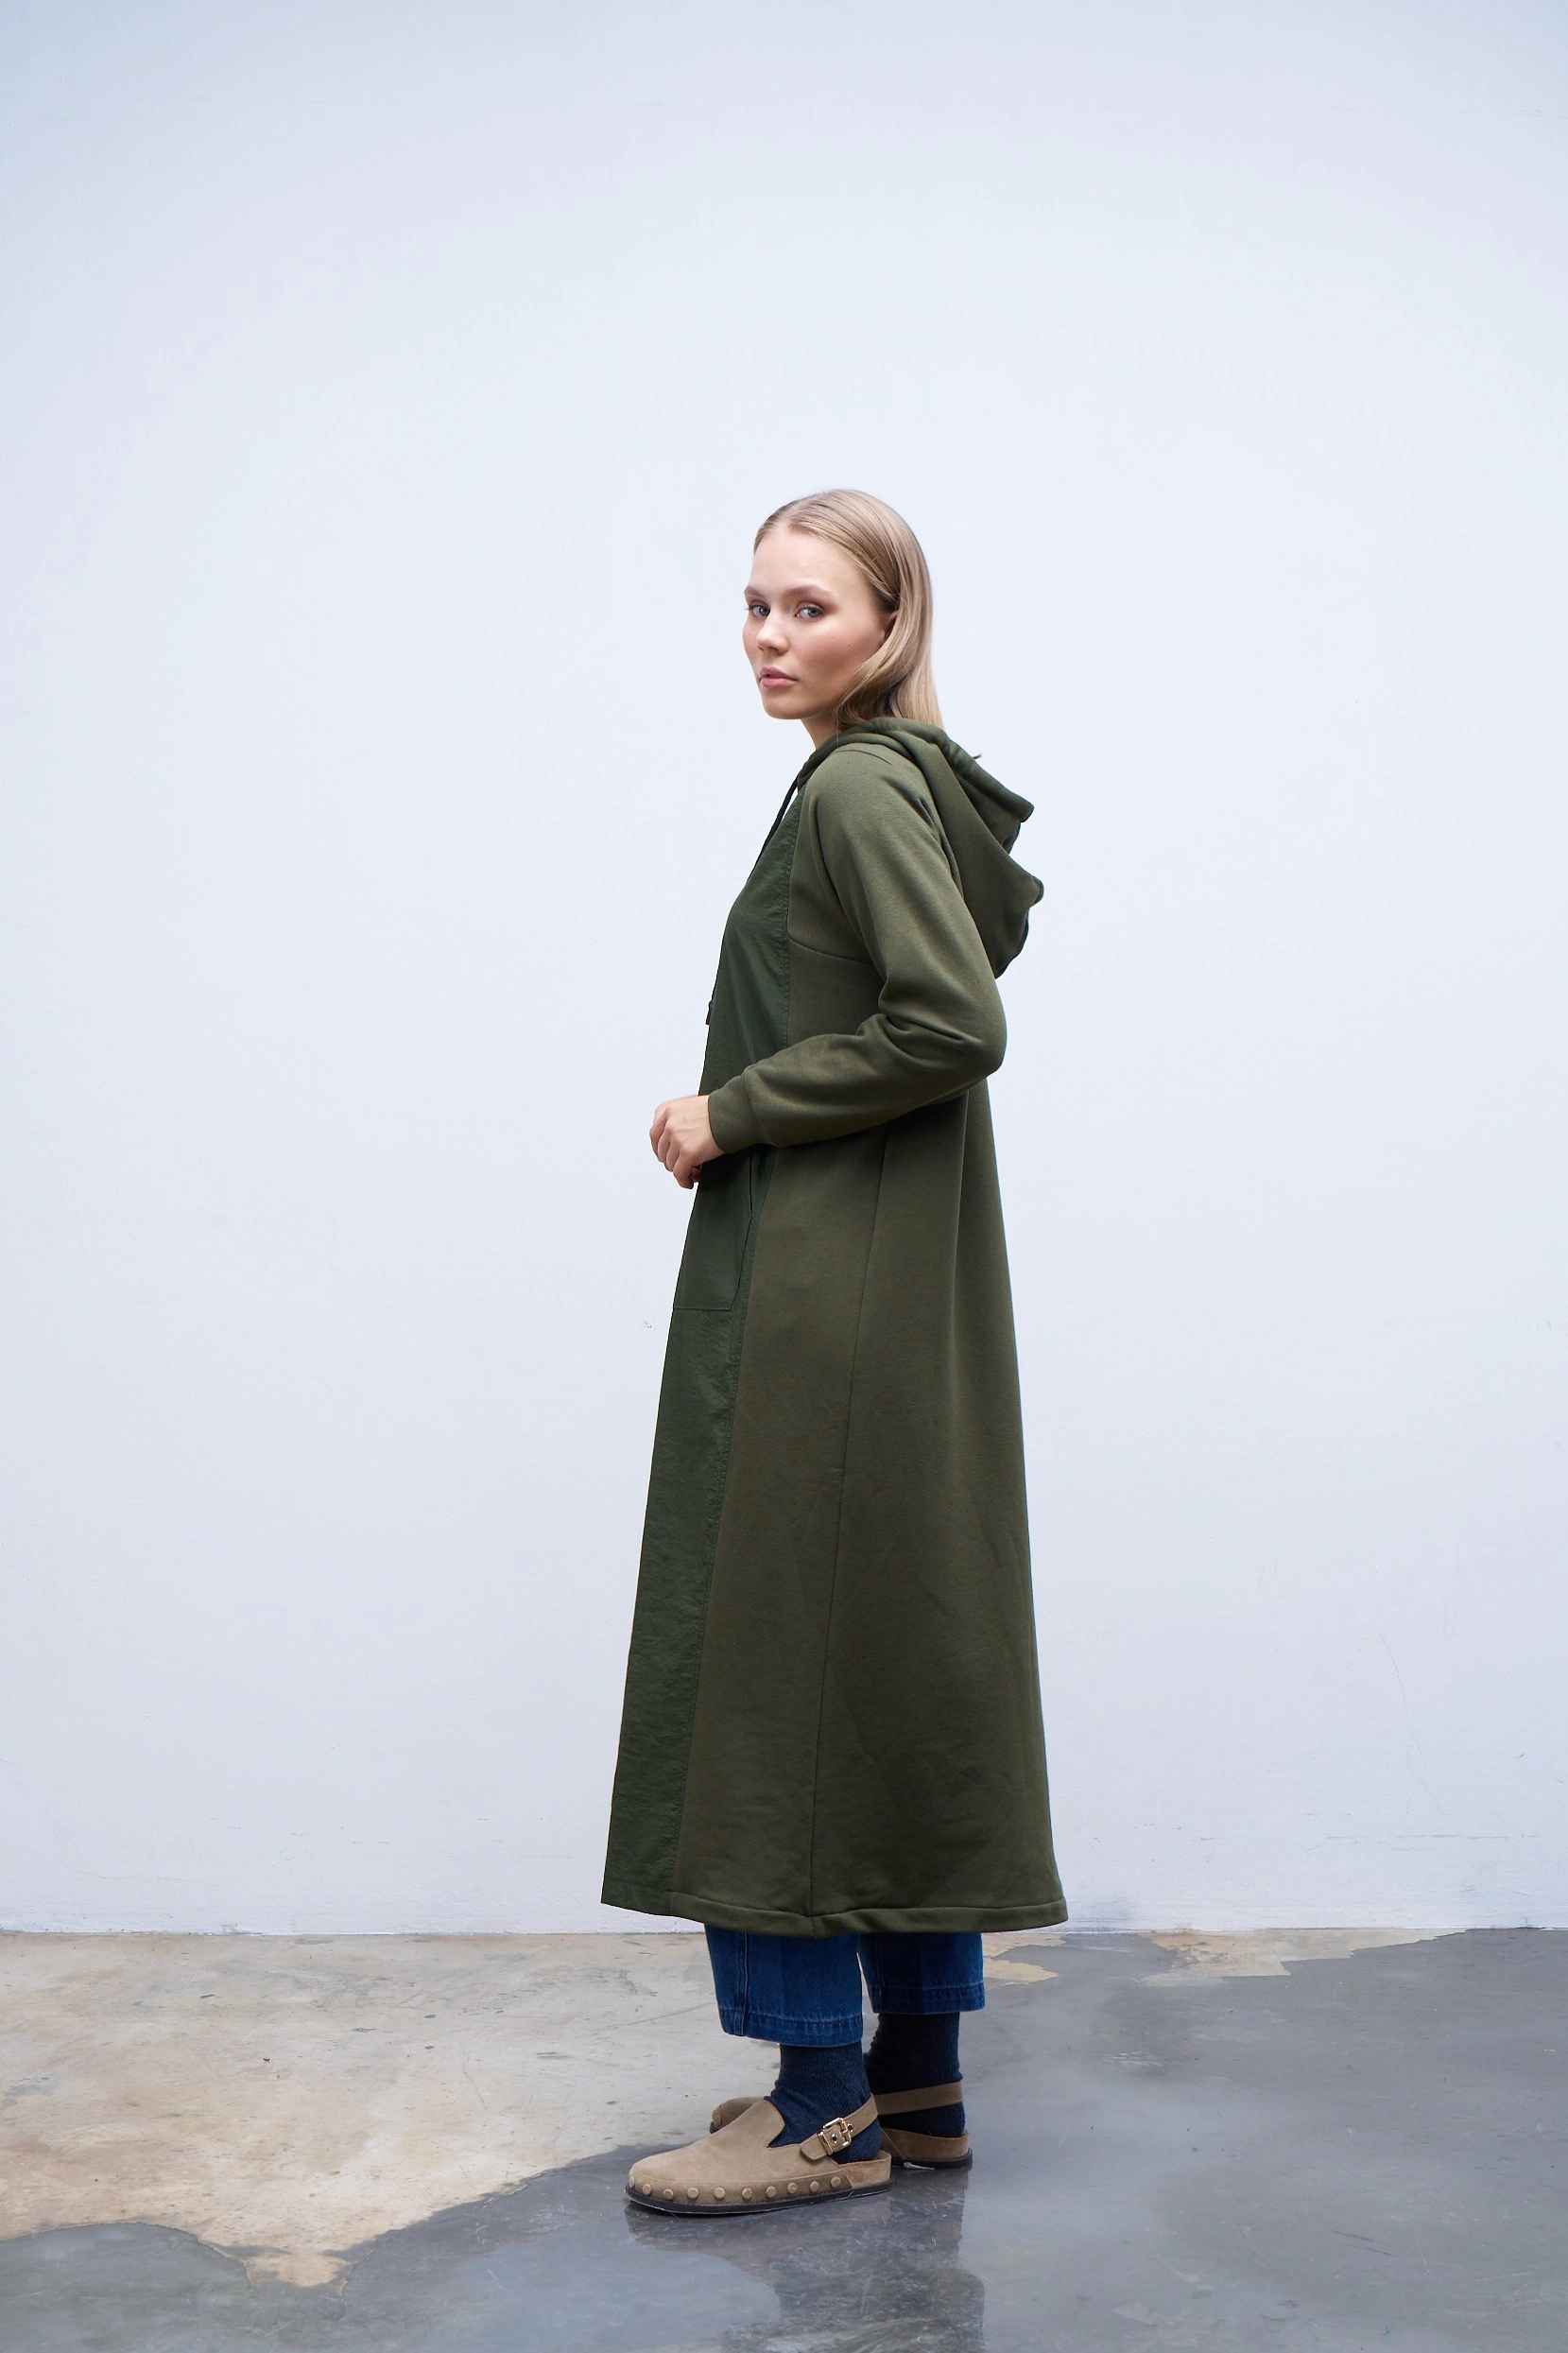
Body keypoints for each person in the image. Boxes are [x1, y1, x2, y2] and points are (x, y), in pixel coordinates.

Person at [603, 489, 1065, 2216]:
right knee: (878, 1668)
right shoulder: (894, 787)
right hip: (888, 1283)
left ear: (889, 625)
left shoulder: (861, 789)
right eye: (755, 604)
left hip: (820, 1289)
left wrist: (728, 1108)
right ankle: (915, 2087)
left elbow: (949, 1021)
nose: (769, 636)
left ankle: (817, 2106)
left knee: (768, 1679)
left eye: (809, 607)